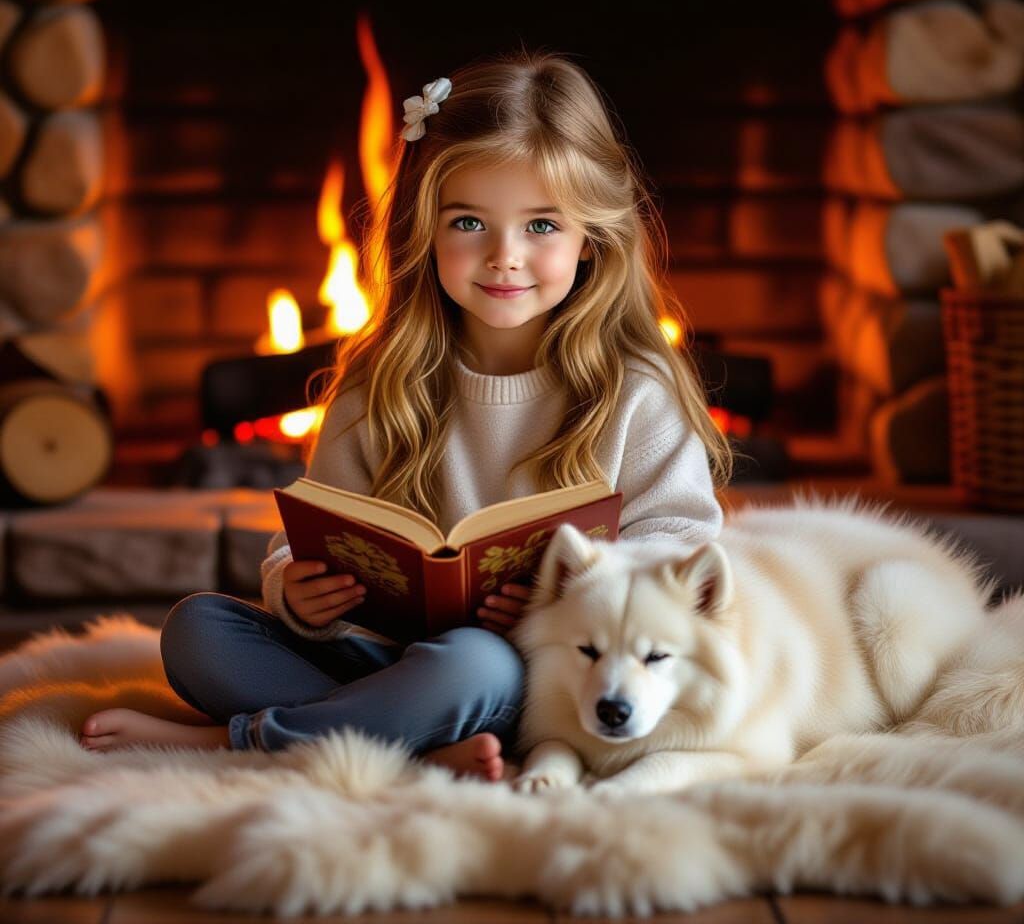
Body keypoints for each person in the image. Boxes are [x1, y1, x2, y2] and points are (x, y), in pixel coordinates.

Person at [78, 47, 731, 782]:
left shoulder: (635, 389)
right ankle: (418, 742)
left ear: (592, 239)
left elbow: (683, 540)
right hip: (382, 654)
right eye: (469, 223)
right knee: (198, 630)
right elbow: (314, 526)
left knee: (471, 666)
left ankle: (243, 742)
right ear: (425, 230)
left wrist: (573, 597)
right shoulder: (379, 382)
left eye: (542, 226)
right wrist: (295, 589)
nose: (505, 257)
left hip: (532, 674)